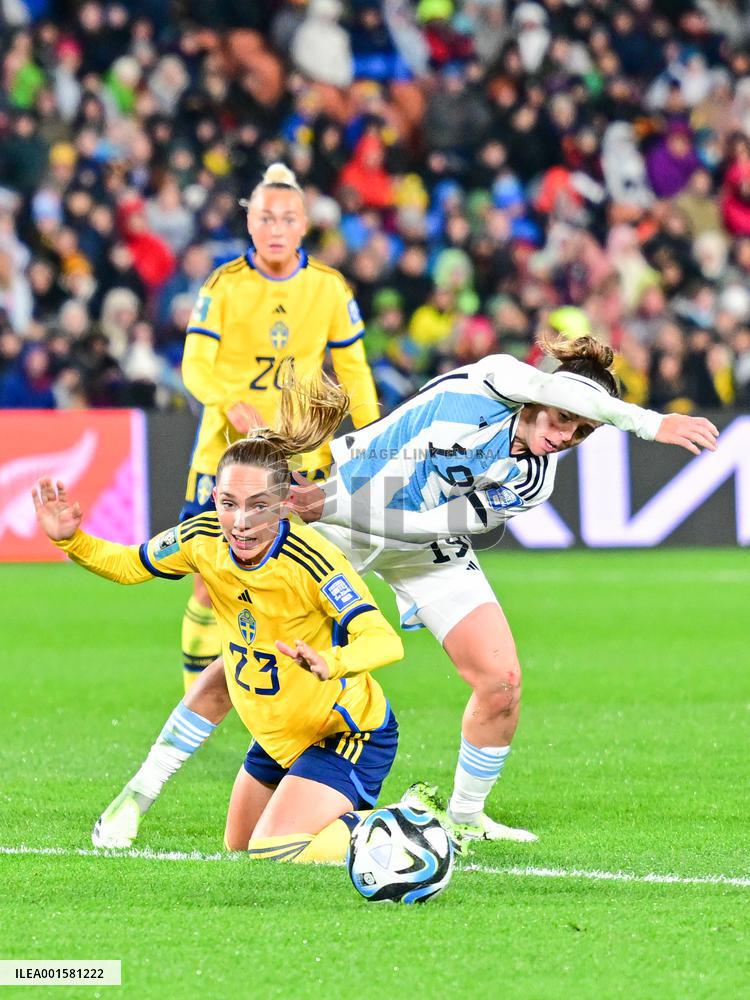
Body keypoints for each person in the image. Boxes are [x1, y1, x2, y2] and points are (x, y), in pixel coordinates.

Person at [90, 334, 719, 846]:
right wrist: (650, 422)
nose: (566, 437)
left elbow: (430, 524)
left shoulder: (532, 479)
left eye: (584, 433)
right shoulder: (499, 378)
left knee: (502, 681)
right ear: (542, 393)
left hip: (396, 530)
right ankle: (144, 790)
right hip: (340, 508)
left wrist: (330, 503)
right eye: (563, 420)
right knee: (250, 659)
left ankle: (464, 819)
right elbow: (553, 389)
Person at [33, 365, 402, 861]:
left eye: (258, 505)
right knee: (240, 847)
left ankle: (405, 827)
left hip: (344, 732)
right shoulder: (202, 538)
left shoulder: (313, 562)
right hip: (277, 732)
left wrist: (331, 662)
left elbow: (384, 640)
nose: (242, 522)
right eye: (229, 503)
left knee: (275, 848)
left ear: (284, 504)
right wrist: (71, 540)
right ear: (213, 499)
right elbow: (129, 564)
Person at [179, 162, 379, 692]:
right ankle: (195, 704)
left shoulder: (330, 288)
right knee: (207, 586)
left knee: (313, 582)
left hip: (300, 458)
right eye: (265, 218)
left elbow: (355, 371)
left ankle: (317, 699)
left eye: (286, 219)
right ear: (250, 223)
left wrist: (374, 438)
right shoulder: (222, 286)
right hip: (224, 456)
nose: (275, 229)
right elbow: (194, 367)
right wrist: (228, 403)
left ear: (304, 225)